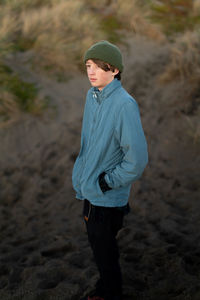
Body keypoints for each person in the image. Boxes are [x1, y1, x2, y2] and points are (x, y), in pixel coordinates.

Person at [72, 40, 148, 300]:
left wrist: (106, 182)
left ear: (114, 70)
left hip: (106, 194)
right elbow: (88, 142)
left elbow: (136, 159)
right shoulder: (91, 97)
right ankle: (105, 289)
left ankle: (109, 293)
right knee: (98, 246)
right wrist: (82, 173)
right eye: (88, 66)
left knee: (105, 253)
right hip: (89, 189)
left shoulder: (125, 105)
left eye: (99, 67)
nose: (91, 72)